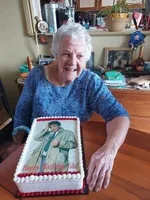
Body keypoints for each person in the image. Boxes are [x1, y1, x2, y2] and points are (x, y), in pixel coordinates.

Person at [9, 22, 130, 192]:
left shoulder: (90, 82)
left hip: (73, 155)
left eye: (79, 56)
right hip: (36, 154)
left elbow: (119, 115)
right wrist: (19, 142)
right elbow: (22, 114)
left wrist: (109, 151)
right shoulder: (36, 76)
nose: (72, 62)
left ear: (86, 58)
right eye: (66, 54)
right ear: (55, 54)